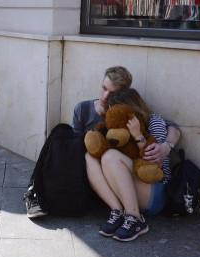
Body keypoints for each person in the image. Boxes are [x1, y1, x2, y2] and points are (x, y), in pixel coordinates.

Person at [24, 67, 180, 221]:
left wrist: (167, 145)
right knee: (61, 132)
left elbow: (171, 127)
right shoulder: (83, 109)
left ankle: (36, 192)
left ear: (123, 96)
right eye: (104, 88)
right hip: (92, 173)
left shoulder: (132, 117)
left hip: (127, 178)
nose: (105, 96)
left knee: (103, 153)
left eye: (112, 93)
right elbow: (73, 150)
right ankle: (34, 191)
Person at [88, 87, 179, 242]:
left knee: (111, 156)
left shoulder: (154, 122)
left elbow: (156, 165)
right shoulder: (115, 129)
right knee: (90, 157)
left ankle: (135, 219)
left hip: (154, 192)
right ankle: (117, 211)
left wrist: (137, 136)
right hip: (131, 189)